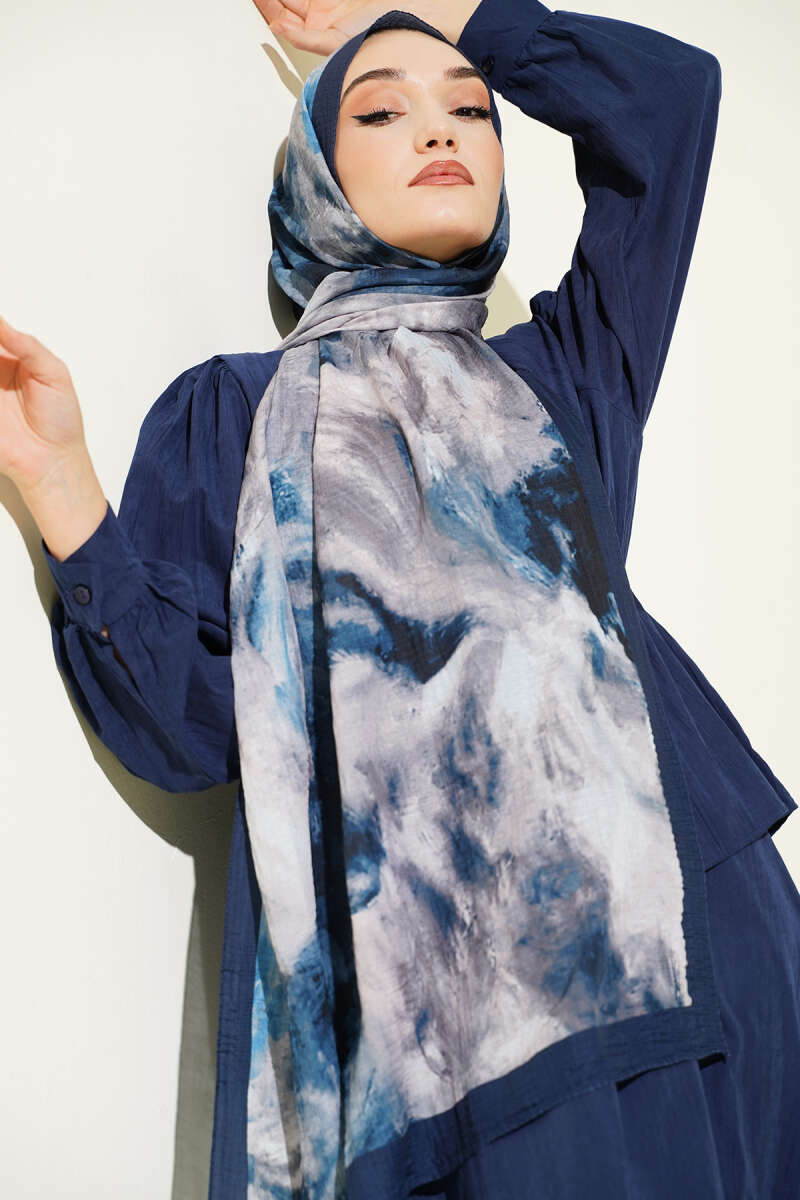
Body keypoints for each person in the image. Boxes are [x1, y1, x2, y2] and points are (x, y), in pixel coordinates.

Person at [1, 1, 798, 1196]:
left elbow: (669, 104)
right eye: (380, 112)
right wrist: (62, 487)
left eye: (470, 109)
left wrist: (457, 8)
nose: (440, 130)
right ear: (315, 181)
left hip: (696, 954)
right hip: (439, 1018)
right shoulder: (233, 412)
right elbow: (194, 733)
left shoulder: (564, 372)